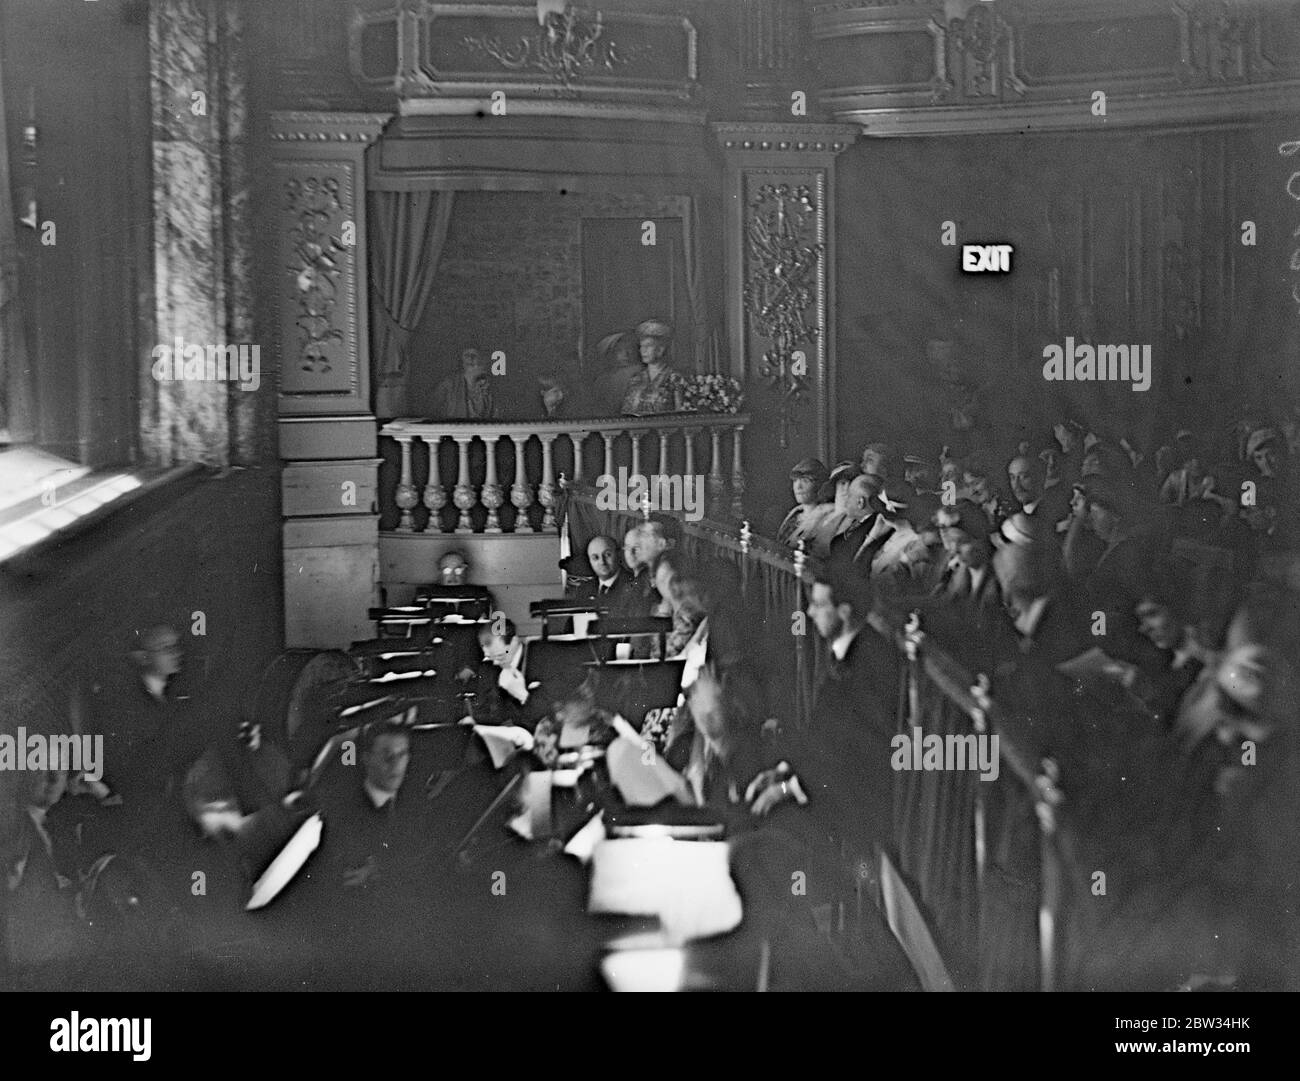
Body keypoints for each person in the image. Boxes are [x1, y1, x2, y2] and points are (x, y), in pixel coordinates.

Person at [621, 319, 686, 416]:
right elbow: (627, 412)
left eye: (648, 346)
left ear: (660, 349)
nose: (643, 351)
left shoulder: (675, 379)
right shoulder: (636, 379)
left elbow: (681, 414)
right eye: (641, 346)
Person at [431, 348, 498, 420]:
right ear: (462, 360)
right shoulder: (449, 383)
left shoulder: (489, 385)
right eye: (467, 355)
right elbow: (432, 407)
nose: (470, 358)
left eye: (474, 355)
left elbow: (495, 415)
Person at [777, 458, 829, 547]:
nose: (798, 487)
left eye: (805, 481)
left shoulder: (827, 519)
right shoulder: (792, 517)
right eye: (795, 481)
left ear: (820, 485)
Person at [592, 331, 641, 416]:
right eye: (619, 350)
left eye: (629, 349)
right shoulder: (602, 380)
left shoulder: (638, 371)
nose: (626, 354)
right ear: (611, 354)